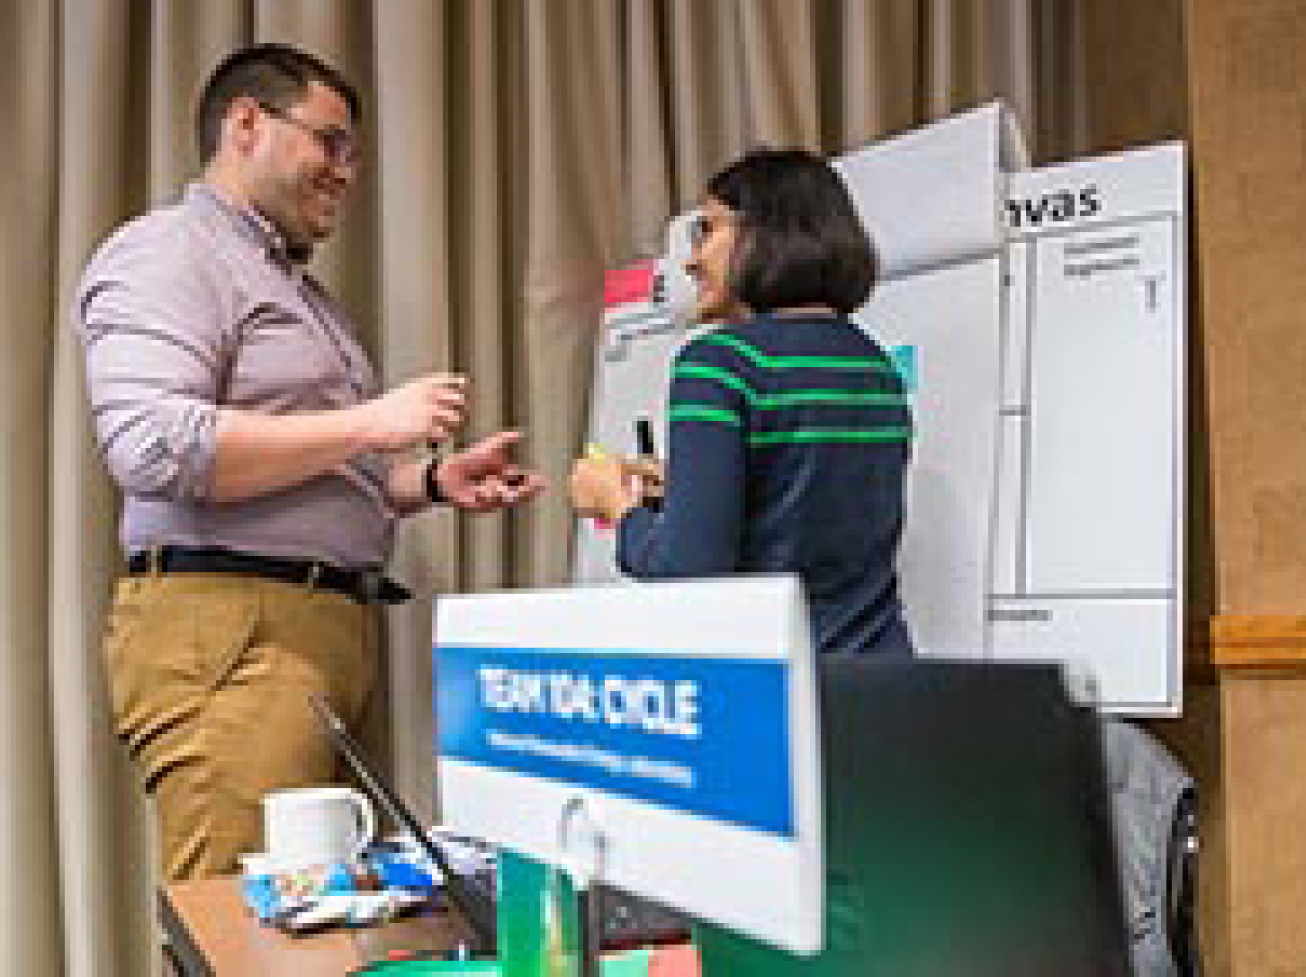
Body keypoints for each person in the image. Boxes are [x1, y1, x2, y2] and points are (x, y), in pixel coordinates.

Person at [74, 43, 543, 881]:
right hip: (234, 636)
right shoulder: (170, 252)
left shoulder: (292, 288)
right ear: (246, 124)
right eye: (331, 142)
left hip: (306, 636)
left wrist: (426, 482)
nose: (347, 171)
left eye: (353, 152)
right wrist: (371, 423)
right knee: (236, 924)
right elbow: (151, 442)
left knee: (312, 921)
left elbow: (304, 473)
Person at [570, 148, 912, 657]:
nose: (691, 259)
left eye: (708, 230)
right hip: (881, 687)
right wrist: (684, 489)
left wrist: (616, 506)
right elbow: (807, 501)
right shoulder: (873, 363)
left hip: (774, 690)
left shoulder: (718, 362)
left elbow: (689, 572)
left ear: (766, 234)